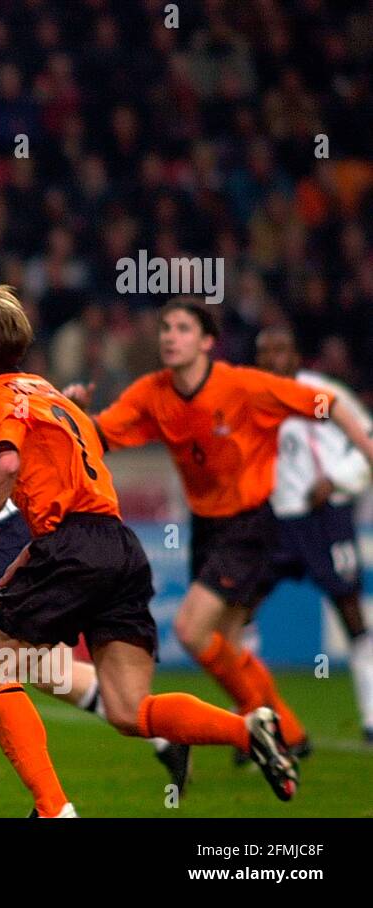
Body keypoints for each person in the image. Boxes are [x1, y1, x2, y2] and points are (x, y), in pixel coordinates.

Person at [0, 286, 298, 816]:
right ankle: (247, 728)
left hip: (72, 546)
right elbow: (72, 489)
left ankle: (52, 809)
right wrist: (27, 558)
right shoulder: (51, 395)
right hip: (117, 544)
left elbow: (4, 465)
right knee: (128, 709)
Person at [0, 289, 187, 808]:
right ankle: (158, 728)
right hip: (33, 526)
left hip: (1, 528)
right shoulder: (20, 382)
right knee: (41, 670)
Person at [64, 300, 373, 756]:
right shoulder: (152, 393)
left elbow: (328, 404)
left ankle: (260, 726)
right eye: (166, 328)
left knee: (191, 630)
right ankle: (287, 730)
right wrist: (73, 415)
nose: (170, 336)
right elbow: (99, 436)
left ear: (207, 341)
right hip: (206, 528)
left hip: (249, 525)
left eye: (183, 328)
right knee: (225, 642)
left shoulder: (244, 387)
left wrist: (366, 448)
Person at [255, 325, 373, 743]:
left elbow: (367, 439)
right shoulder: (249, 397)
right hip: (272, 522)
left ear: (295, 355)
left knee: (351, 614)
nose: (271, 359)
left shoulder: (322, 392)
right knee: (240, 612)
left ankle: (371, 717)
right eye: (264, 352)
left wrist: (337, 480)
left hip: (325, 519)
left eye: (280, 350)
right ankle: (253, 715)